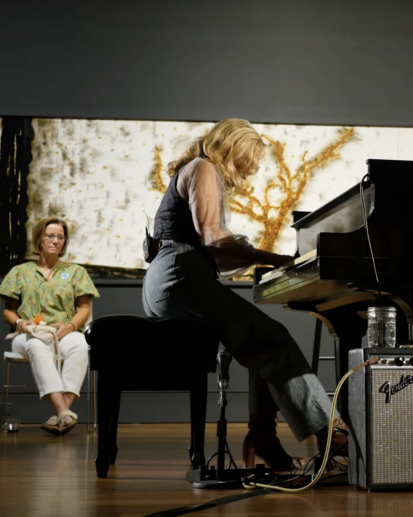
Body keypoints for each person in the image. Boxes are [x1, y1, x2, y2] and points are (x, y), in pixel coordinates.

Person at [142, 118, 343, 469]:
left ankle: (263, 436)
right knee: (272, 336)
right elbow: (213, 239)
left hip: (177, 278)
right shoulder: (204, 166)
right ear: (231, 148)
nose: (249, 173)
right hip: (180, 278)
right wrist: (277, 258)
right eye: (246, 162)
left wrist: (260, 258)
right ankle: (330, 432)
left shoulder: (198, 170)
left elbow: (215, 255)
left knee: (258, 344)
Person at [1, 217, 98, 436]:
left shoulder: (76, 272)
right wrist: (20, 322)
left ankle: (61, 416)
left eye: (60, 237)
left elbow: (84, 309)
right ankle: (63, 410)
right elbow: (8, 311)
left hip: (64, 331)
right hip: (27, 335)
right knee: (37, 345)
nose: (55, 241)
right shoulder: (20, 271)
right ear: (39, 238)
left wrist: (71, 325)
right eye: (50, 236)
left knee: (81, 346)